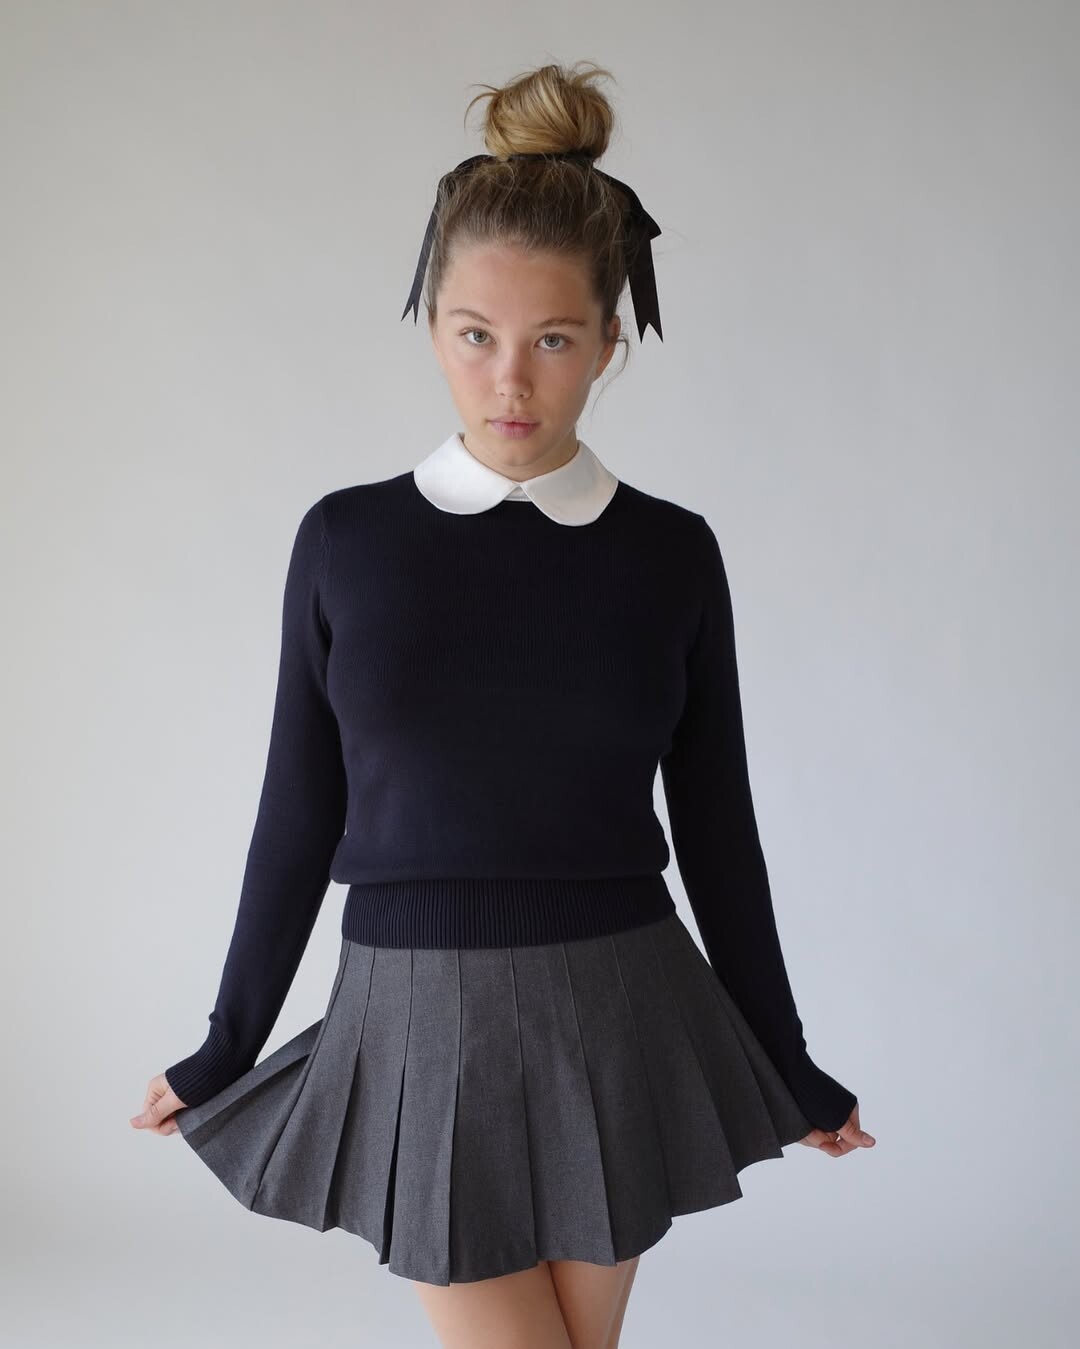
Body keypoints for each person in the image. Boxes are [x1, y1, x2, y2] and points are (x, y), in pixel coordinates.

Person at [130, 60, 874, 1349]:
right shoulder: (348, 542)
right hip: (416, 1016)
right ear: (433, 328)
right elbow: (296, 810)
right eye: (476, 335)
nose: (511, 381)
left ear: (609, 345)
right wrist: (225, 1043)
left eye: (553, 340)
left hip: (623, 1011)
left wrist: (788, 1058)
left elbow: (719, 827)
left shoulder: (670, 553)